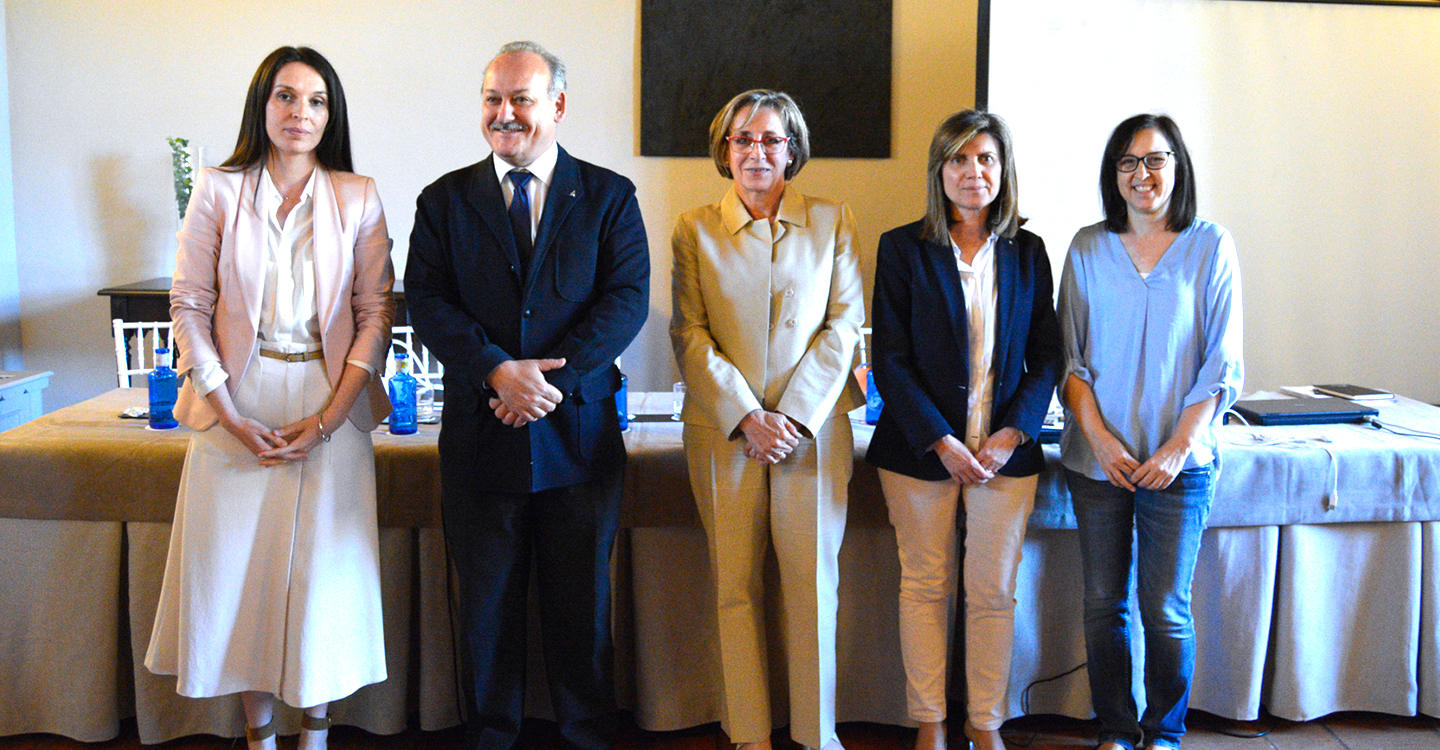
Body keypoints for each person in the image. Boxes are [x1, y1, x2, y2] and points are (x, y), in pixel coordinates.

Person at [145, 47, 394, 750]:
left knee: (316, 581)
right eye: (286, 97)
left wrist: (329, 418)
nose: (300, 113)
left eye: (316, 101)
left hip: (329, 395)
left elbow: (375, 313)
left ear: (330, 115)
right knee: (240, 579)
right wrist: (224, 407)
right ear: (263, 106)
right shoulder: (220, 190)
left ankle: (313, 734)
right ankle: (259, 737)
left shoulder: (358, 195)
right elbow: (189, 301)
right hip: (236, 398)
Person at [404, 41, 649, 750]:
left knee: (581, 606)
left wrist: (543, 382)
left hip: (577, 435)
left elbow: (625, 301)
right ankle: (490, 736)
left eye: (521, 99)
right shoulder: (444, 200)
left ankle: (584, 735)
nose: (504, 114)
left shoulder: (609, 197)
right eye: (492, 99)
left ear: (558, 107)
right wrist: (493, 370)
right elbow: (426, 299)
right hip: (482, 433)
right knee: (483, 608)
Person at [670, 89, 864, 750]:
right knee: (735, 588)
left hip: (812, 434)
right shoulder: (693, 228)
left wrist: (792, 416)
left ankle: (816, 737)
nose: (756, 151)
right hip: (727, 435)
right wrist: (749, 417)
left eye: (770, 139)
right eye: (742, 139)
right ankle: (749, 735)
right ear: (725, 150)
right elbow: (689, 335)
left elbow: (843, 329)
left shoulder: (834, 220)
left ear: (793, 149)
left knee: (813, 588)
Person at [865, 110, 1063, 750]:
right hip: (920, 454)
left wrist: (1011, 435)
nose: (972, 171)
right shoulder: (902, 247)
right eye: (958, 159)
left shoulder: (1029, 252)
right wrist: (943, 441)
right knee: (924, 588)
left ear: (1002, 171)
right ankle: (930, 721)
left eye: (985, 159)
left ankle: (985, 724)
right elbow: (888, 357)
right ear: (939, 171)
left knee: (993, 593)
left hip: (1006, 455)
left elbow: (1047, 356)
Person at [1057, 114, 1243, 750]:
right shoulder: (1086, 247)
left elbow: (1221, 365)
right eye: (1128, 163)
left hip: (1181, 465)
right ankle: (1115, 727)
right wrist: (1103, 443)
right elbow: (1070, 362)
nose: (1143, 175)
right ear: (1114, 175)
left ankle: (1163, 732)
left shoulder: (1211, 244)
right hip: (1097, 462)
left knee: (1165, 610)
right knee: (1104, 604)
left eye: (1155, 160)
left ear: (1178, 167)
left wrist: (1177, 448)